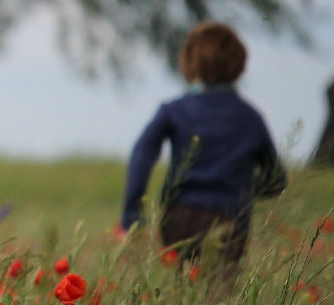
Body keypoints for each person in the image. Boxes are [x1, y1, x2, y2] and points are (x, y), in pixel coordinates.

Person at [119, 21, 286, 266]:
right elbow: (276, 180)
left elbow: (141, 155)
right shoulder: (250, 118)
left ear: (190, 63)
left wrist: (132, 215)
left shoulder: (174, 111)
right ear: (238, 66)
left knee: (184, 289)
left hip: (179, 217)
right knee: (219, 295)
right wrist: (242, 190)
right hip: (229, 219)